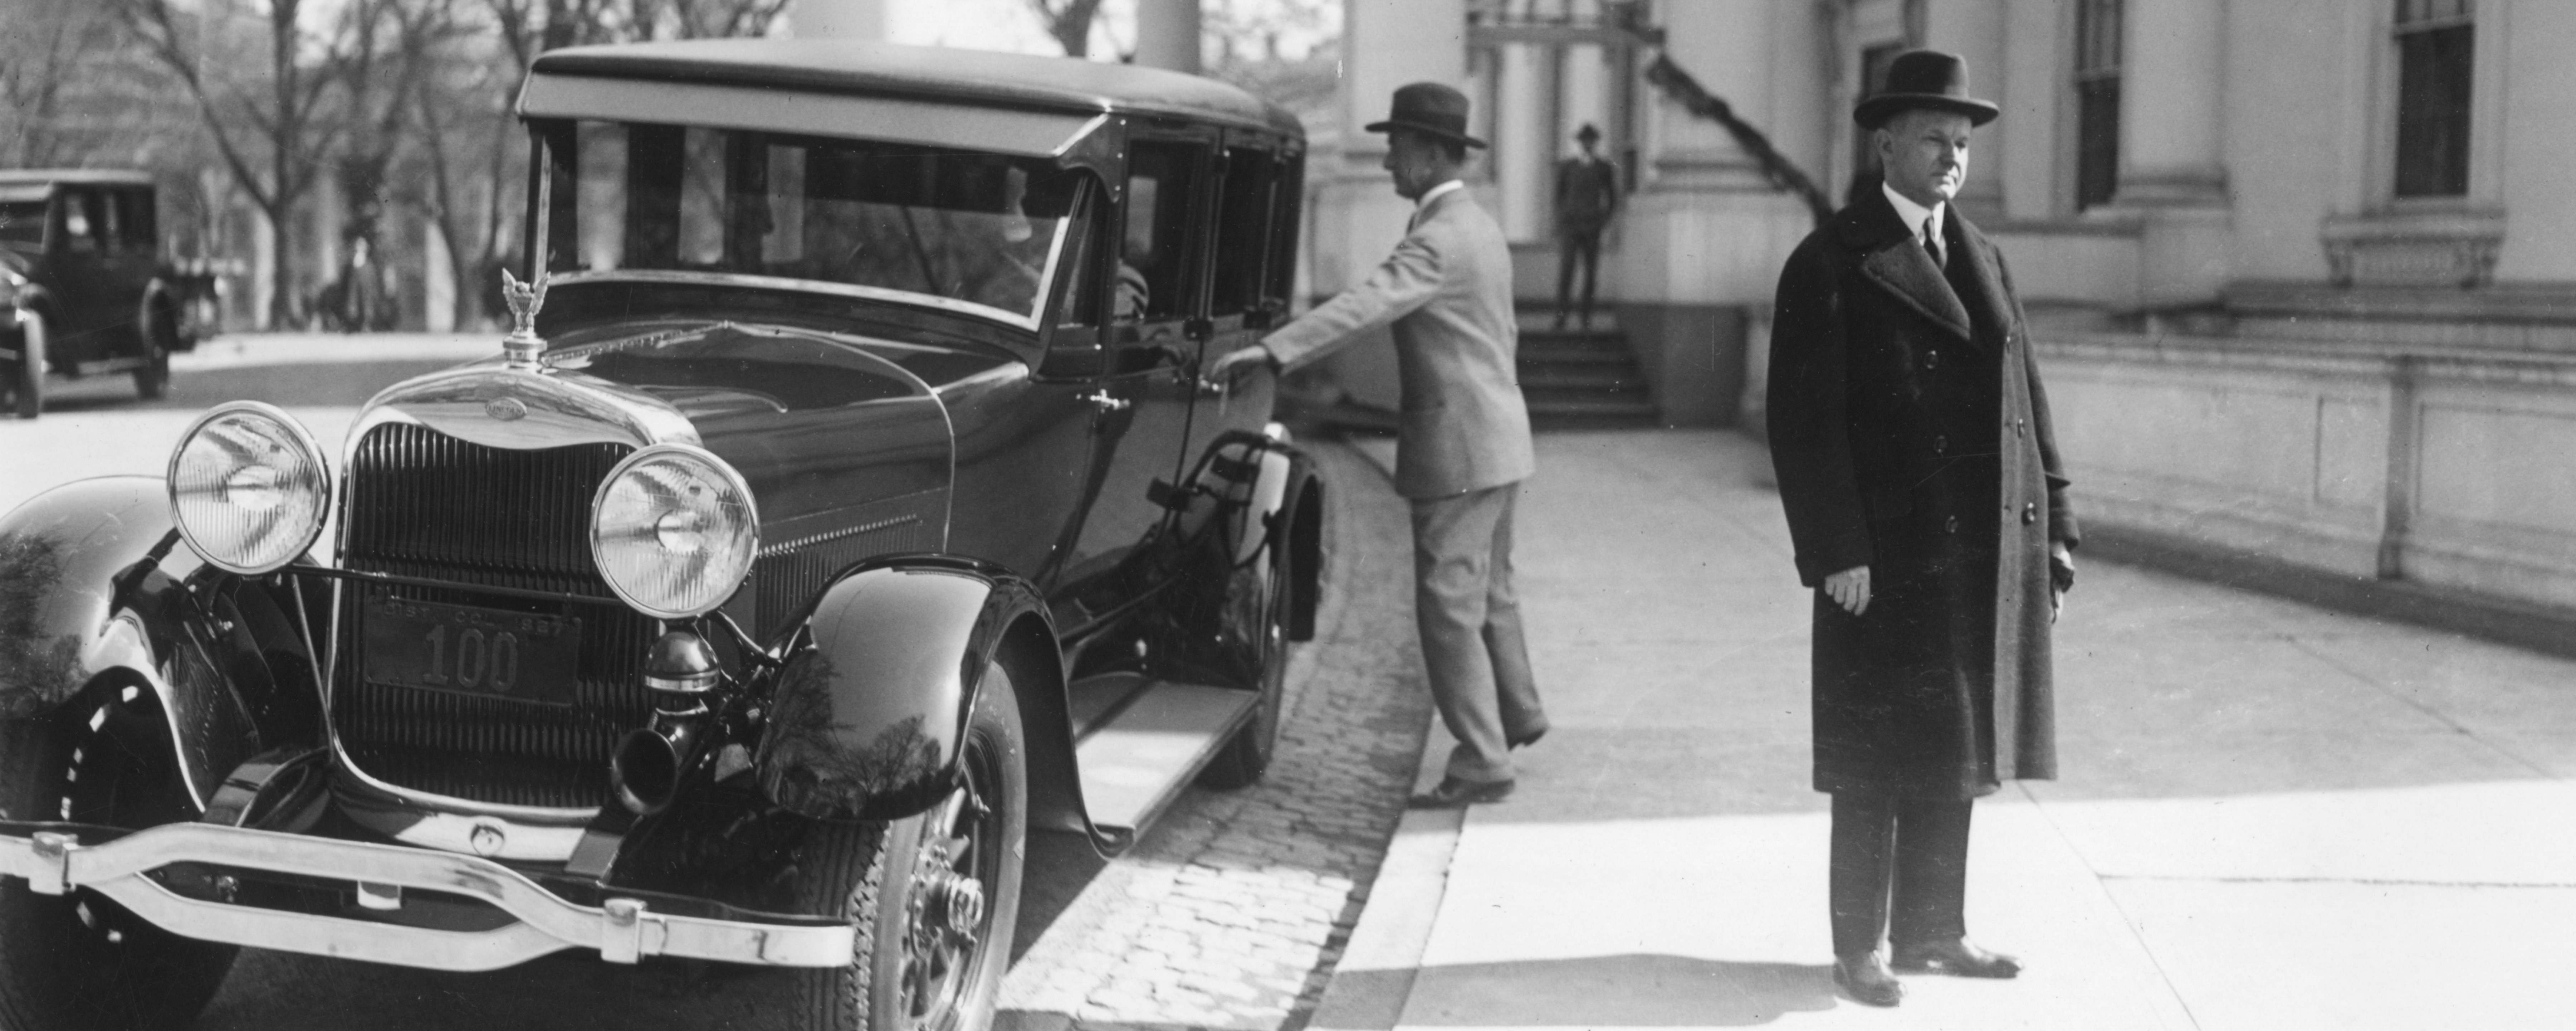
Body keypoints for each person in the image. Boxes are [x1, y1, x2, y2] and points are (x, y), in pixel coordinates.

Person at [1764, 49, 2079, 1008]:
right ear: (1885, 141)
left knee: (1959, 747)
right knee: (1872, 754)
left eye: (1963, 141)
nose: (1951, 154)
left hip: (1982, 551)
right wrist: (1836, 549)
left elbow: (2028, 400)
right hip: (1884, 554)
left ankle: (1935, 931)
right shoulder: (1833, 257)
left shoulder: (1982, 255)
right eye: (1934, 136)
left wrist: (2056, 526)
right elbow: (1802, 422)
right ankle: (1859, 944)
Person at [1210, 82, 1545, 809]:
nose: (1389, 159)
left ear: (1428, 153)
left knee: (1448, 603)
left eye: (1396, 146)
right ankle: (1517, 712)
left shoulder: (1435, 240)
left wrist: (1275, 352)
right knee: (1491, 591)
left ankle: (1484, 759)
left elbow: (1365, 304)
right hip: (1498, 439)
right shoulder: (1478, 227)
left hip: (1459, 448)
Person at [1552, 123, 1619, 330]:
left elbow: (1612, 197)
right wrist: (1563, 220)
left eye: (1591, 141)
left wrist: (1603, 220)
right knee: (1567, 271)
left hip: (1592, 227)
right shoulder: (1568, 167)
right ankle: (1562, 316)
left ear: (1595, 143)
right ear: (1580, 143)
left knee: (1590, 274)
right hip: (1571, 227)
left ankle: (1586, 317)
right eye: (1584, 141)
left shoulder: (1603, 168)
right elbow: (1559, 197)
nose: (1588, 144)